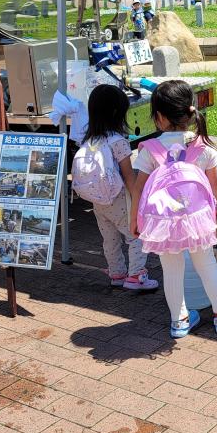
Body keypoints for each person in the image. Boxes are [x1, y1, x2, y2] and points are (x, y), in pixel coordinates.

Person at [130, 80, 217, 338]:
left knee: (171, 269)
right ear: (191, 114)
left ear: (158, 117)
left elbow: (138, 189)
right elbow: (215, 189)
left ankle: (179, 321)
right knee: (207, 264)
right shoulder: (204, 149)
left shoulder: (149, 150)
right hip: (198, 220)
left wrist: (135, 220)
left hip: (162, 223)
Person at [73, 85, 159, 291]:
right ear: (116, 113)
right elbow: (129, 176)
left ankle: (117, 274)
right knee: (135, 235)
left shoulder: (90, 139)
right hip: (119, 198)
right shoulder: (118, 141)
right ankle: (136, 276)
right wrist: (139, 199)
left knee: (109, 239)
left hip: (98, 201)